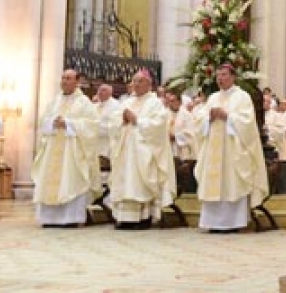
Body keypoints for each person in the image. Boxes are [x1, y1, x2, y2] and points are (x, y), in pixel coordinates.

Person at [193, 63, 268, 233]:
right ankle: (213, 223)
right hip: (213, 149)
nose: (220, 78)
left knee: (232, 183)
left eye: (224, 75)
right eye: (218, 75)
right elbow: (199, 119)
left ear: (233, 77)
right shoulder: (213, 98)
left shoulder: (242, 97)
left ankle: (232, 223)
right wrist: (208, 118)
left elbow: (248, 122)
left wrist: (228, 116)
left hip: (232, 150)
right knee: (214, 184)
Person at [32, 69, 101, 227]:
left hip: (72, 152)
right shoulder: (54, 101)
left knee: (70, 182)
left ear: (77, 81)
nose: (64, 81)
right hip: (53, 148)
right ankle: (49, 219)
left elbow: (92, 125)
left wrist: (69, 124)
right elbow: (42, 121)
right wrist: (52, 122)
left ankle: (70, 218)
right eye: (63, 78)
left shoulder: (84, 102)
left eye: (68, 78)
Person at [107, 70, 176, 230]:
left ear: (149, 84)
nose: (136, 84)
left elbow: (159, 125)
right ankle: (124, 218)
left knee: (140, 183)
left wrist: (137, 120)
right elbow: (113, 122)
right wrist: (122, 119)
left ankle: (143, 218)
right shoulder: (126, 102)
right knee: (124, 181)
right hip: (125, 149)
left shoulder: (155, 103)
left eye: (140, 81)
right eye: (134, 81)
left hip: (143, 151)